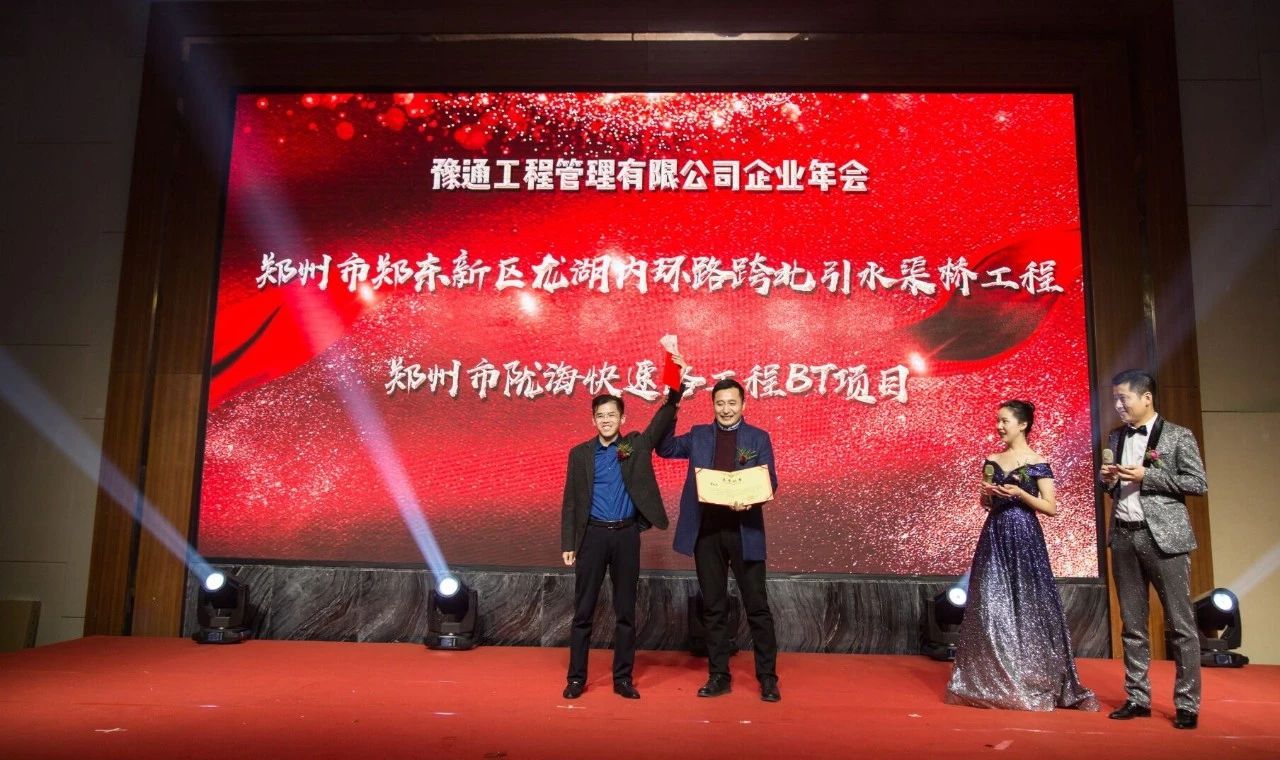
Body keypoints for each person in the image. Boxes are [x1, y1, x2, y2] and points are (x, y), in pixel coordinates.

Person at [945, 399, 1098, 712]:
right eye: (998, 421)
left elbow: (1050, 507)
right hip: (995, 533)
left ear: (1023, 424)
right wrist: (988, 494)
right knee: (990, 603)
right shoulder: (992, 460)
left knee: (1028, 603)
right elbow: (985, 503)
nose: (999, 426)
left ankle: (1031, 677)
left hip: (1026, 536)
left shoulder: (1038, 462)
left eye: (1005, 421)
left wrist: (1021, 494)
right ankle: (991, 679)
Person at [559, 359, 684, 701]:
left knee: (625, 612)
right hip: (592, 537)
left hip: (626, 536)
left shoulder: (635, 446)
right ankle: (576, 679)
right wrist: (569, 542)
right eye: (600, 416)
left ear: (622, 419)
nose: (606, 420)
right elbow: (571, 500)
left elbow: (662, 418)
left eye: (612, 415)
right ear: (593, 420)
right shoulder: (580, 454)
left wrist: (675, 385)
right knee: (583, 611)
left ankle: (623, 679)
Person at [658, 377, 781, 702]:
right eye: (720, 403)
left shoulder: (758, 437)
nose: (726, 409)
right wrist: (673, 405)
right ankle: (718, 676)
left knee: (757, 607)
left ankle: (768, 678)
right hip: (707, 532)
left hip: (745, 531)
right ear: (713, 405)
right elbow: (665, 448)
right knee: (713, 607)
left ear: (743, 404)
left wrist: (751, 500)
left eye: (732, 403)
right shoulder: (699, 435)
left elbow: (770, 480)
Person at [1101, 369, 1207, 730]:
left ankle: (1187, 704)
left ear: (1146, 397)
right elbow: (1115, 487)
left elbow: (1197, 483)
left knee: (1181, 625)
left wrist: (1149, 475)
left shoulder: (1178, 435)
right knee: (1132, 623)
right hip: (1124, 535)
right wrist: (1107, 480)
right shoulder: (1116, 437)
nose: (1118, 405)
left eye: (1123, 398)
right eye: (1115, 399)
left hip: (1164, 539)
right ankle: (1137, 697)